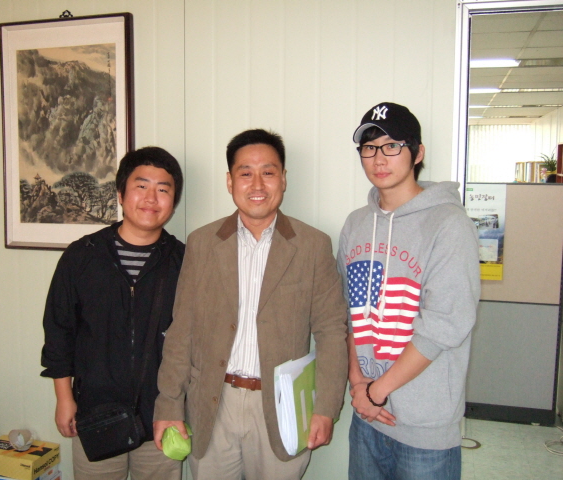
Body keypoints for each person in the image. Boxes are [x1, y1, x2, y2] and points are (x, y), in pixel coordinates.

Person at [153, 129, 348, 480]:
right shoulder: (202, 242)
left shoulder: (313, 245)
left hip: (280, 407)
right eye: (245, 173)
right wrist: (168, 403)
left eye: (268, 172)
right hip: (212, 402)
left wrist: (326, 407)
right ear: (230, 181)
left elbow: (332, 332)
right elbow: (182, 328)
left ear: (283, 179)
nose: (257, 184)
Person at [338, 102, 480, 480]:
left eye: (392, 146)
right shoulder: (356, 224)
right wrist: (358, 384)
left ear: (417, 153)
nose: (379, 158)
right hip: (367, 418)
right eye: (369, 148)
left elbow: (445, 325)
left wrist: (377, 391)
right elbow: (352, 313)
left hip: (424, 428)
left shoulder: (449, 225)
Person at [40, 147, 185, 480]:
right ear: (120, 194)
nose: (151, 198)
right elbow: (59, 330)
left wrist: (177, 407)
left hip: (161, 417)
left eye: (163, 189)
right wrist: (64, 398)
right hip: (95, 414)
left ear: (173, 201)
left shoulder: (183, 261)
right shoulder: (82, 256)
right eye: (141, 186)